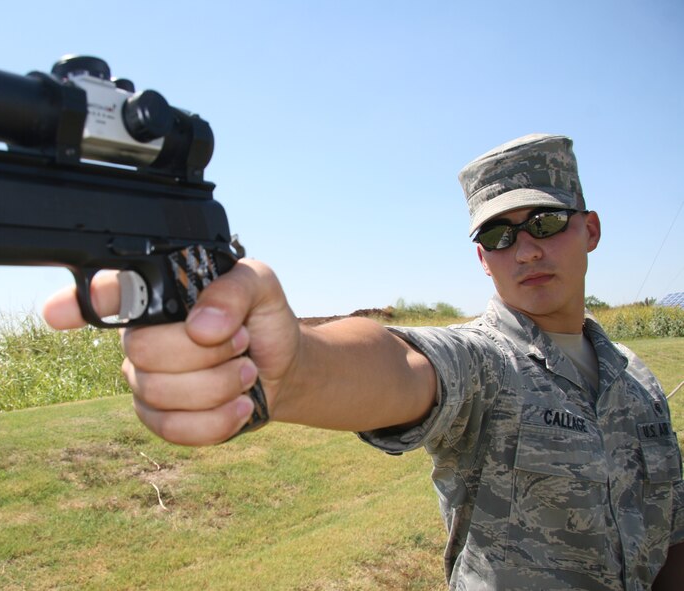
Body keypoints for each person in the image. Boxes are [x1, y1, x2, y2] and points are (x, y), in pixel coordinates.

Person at [43, 133, 683, 590]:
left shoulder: (639, 380)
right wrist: (289, 372)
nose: (525, 249)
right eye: (499, 234)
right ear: (481, 258)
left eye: (545, 221)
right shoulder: (490, 365)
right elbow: (405, 368)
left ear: (590, 230)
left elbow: (671, 534)